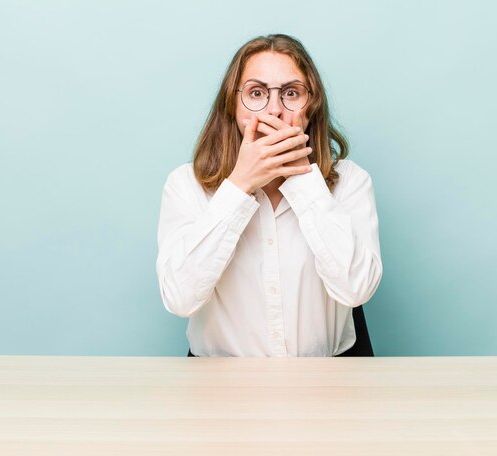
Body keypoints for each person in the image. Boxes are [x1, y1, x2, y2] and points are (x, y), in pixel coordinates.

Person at [156, 34, 382, 357]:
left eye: (291, 93)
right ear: (232, 107)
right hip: (219, 388)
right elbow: (179, 297)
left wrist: (302, 178)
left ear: (310, 108)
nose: (274, 110)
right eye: (257, 93)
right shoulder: (185, 185)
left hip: (330, 384)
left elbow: (357, 287)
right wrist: (239, 185)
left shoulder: (350, 183)